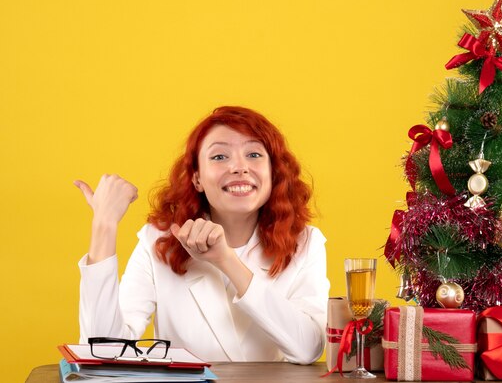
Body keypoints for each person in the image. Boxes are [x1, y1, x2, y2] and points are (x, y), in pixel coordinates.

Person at [74, 106, 330, 364]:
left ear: (273, 174)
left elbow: (308, 348)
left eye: (253, 154)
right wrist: (104, 225)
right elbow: (104, 352)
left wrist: (226, 261)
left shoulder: (305, 243)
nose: (239, 167)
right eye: (219, 157)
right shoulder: (159, 241)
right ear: (197, 178)